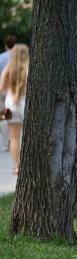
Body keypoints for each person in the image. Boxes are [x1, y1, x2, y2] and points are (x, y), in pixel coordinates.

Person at [0, 43, 29, 176]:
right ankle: (29, 165)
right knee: (28, 137)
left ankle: (17, 167)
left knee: (14, 137)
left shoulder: (8, 69)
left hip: (11, 106)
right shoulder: (29, 69)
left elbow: (1, 89)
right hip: (26, 106)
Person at [0, 35, 16, 152]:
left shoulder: (1, 57)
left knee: (3, 115)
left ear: (6, 45)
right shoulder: (19, 58)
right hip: (15, 90)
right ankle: (13, 139)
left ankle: (6, 144)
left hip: (2, 90)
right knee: (14, 115)